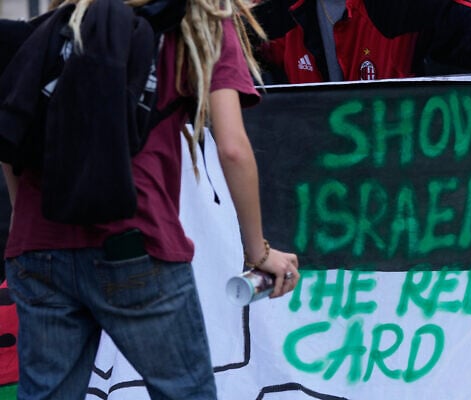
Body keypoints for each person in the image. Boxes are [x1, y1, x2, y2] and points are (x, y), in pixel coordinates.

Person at [0, 0, 299, 399]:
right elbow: (232, 148)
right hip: (135, 242)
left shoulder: (55, 24)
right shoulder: (199, 21)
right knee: (184, 392)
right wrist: (258, 252)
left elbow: (12, 135)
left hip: (38, 246)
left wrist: (24, 225)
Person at [251, 0, 471, 85]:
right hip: (315, 186)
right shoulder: (271, 14)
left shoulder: (396, 7)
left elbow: (460, 15)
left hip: (396, 178)